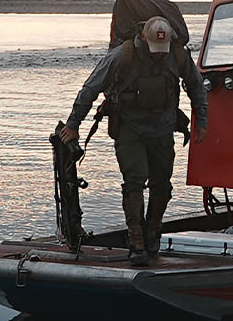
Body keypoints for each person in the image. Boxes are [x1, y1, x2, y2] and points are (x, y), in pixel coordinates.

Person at [63, 16, 207, 266]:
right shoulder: (122, 56)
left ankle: (153, 234)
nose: (158, 55)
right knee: (135, 181)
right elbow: (91, 88)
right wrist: (73, 124)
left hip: (163, 128)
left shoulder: (178, 55)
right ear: (143, 38)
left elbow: (196, 86)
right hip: (130, 128)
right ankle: (136, 242)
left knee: (162, 184)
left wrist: (201, 122)